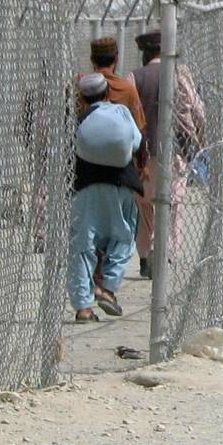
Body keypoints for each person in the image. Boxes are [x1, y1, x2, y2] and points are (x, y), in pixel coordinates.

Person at [129, 30, 206, 279]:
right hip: (175, 152)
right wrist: (199, 141)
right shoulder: (179, 75)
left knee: (145, 207)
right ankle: (168, 254)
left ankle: (145, 255)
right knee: (173, 206)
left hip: (142, 152)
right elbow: (197, 110)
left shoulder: (135, 77)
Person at [69, 73, 142, 322]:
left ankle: (83, 307)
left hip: (87, 187)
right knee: (124, 237)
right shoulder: (121, 113)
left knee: (82, 246)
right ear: (107, 93)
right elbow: (136, 142)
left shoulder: (79, 120)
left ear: (82, 98)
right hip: (121, 185)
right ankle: (108, 289)